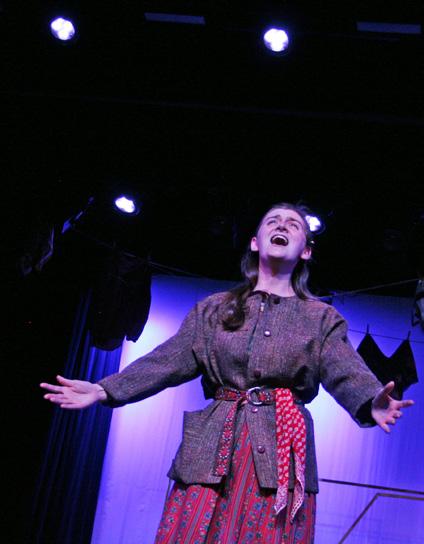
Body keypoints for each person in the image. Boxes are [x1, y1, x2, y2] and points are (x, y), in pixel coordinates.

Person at [41, 202, 414, 543]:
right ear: (254, 242)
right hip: (212, 446)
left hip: (280, 449)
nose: (281, 225)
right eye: (272, 221)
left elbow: (345, 370)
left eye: (293, 224)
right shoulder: (214, 310)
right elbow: (166, 360)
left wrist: (370, 402)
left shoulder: (321, 319)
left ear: (306, 251)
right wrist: (105, 389)